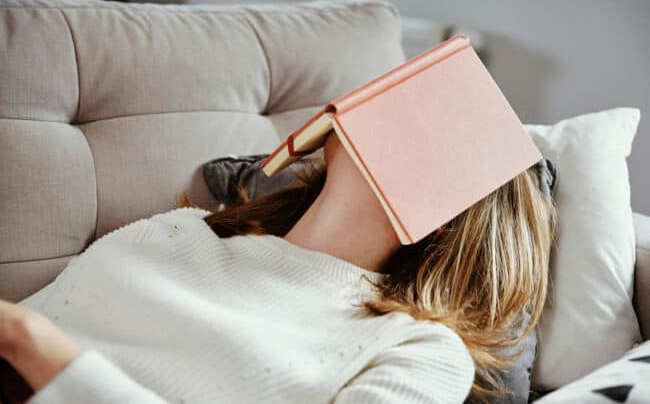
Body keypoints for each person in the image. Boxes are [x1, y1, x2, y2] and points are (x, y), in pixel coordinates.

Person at [0, 131, 557, 404]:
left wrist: (31, 340)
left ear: (437, 210)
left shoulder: (421, 352)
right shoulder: (181, 230)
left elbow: (24, 333)